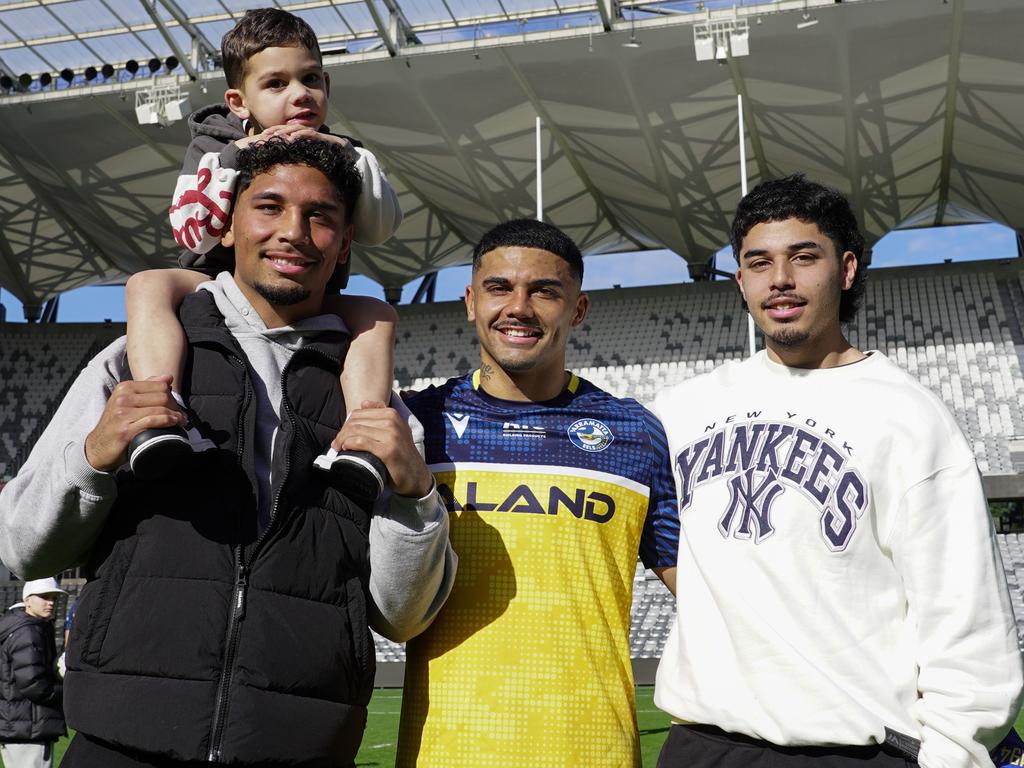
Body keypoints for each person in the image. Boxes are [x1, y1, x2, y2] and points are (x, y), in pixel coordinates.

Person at [0, 137, 455, 768]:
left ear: (344, 243)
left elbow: (400, 618)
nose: (292, 233)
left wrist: (415, 499)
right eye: (269, 207)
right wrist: (96, 453)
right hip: (122, 744)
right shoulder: (133, 362)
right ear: (231, 224)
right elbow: (23, 548)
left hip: (302, 749)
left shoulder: (376, 408)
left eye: (319, 216)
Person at [652, 174, 1023, 768]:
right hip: (704, 744)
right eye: (758, 262)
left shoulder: (910, 418)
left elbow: (965, 616)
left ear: (846, 269)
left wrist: (953, 752)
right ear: (741, 279)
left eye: (803, 257)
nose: (780, 279)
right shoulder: (681, 410)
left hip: (851, 752)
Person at [393, 218, 680, 767]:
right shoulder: (415, 425)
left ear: (578, 310)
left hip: (592, 750)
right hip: (443, 753)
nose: (519, 307)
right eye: (499, 288)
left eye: (544, 291)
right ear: (470, 301)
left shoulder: (634, 431)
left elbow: (699, 587)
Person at [128, 7, 402, 499]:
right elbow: (194, 235)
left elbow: (378, 230)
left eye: (311, 79)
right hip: (219, 285)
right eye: (276, 84)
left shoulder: (343, 151)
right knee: (147, 284)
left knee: (375, 315)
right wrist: (239, 160)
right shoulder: (214, 147)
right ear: (238, 100)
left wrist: (352, 157)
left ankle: (362, 440)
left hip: (307, 295)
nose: (300, 94)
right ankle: (161, 412)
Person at [0, 578, 66, 768]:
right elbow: (34, 686)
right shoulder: (28, 631)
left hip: (21, 725)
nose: (51, 602)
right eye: (44, 597)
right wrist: (66, 689)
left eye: (53, 597)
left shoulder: (21, 626)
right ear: (27, 600)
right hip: (28, 727)